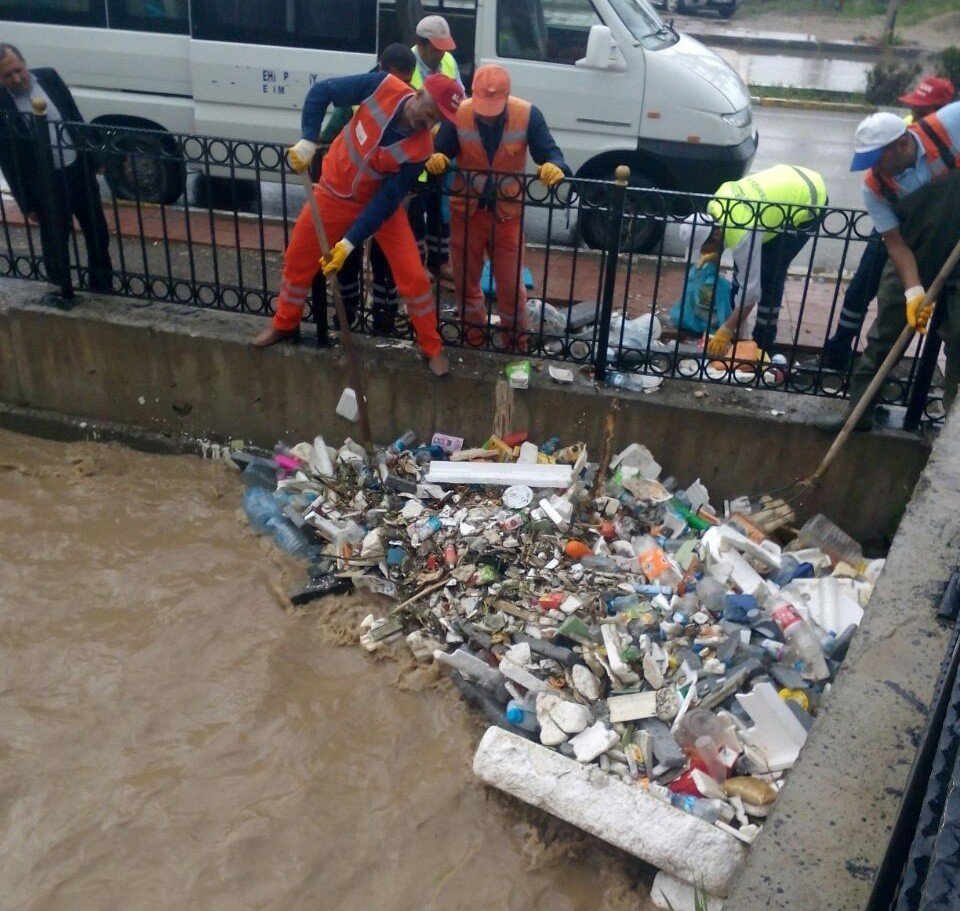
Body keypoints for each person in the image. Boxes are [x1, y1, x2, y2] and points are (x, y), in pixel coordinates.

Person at [250, 69, 463, 377]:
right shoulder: (382, 86)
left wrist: (349, 243)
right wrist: (309, 139)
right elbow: (322, 91)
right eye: (429, 113)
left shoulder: (420, 150)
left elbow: (387, 200)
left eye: (436, 121)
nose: (428, 124)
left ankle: (432, 347)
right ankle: (284, 323)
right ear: (418, 94)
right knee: (297, 260)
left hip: (379, 208)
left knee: (414, 278)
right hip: (332, 194)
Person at [825, 104, 960, 431]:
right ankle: (858, 415)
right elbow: (896, 245)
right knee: (884, 336)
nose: (874, 169)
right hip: (914, 253)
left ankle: (954, 431)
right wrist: (914, 293)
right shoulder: (874, 187)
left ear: (902, 144)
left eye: (877, 159)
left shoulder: (949, 123)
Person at [426, 64, 567, 350]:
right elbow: (442, 149)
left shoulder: (527, 115)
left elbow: (550, 151)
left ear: (507, 96)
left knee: (511, 288)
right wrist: (437, 159)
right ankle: (472, 340)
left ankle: (515, 345)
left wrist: (555, 165)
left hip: (506, 216)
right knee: (467, 286)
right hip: (466, 213)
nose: (486, 114)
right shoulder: (461, 113)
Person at [314, 44, 417, 341]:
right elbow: (330, 133)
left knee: (385, 262)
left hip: (388, 194)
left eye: (406, 81)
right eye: (397, 79)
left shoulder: (409, 98)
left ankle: (383, 318)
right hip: (351, 194)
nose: (401, 87)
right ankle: (345, 315)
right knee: (346, 256)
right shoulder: (362, 92)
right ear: (382, 69)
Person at [0, 44, 112, 293]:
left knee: (97, 232)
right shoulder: (2, 103)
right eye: (8, 76)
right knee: (56, 241)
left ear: (24, 63)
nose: (17, 79)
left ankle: (102, 286)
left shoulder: (49, 77)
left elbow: (73, 115)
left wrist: (95, 157)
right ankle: (61, 290)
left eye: (19, 70)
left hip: (77, 170)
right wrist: (26, 204)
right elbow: (7, 159)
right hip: (46, 184)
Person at [702, 164, 828, 358]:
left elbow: (751, 292)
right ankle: (739, 330)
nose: (704, 253)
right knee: (746, 266)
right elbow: (736, 258)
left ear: (716, 235)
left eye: (705, 248)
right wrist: (716, 254)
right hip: (786, 183)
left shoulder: (741, 231)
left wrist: (726, 330)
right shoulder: (715, 205)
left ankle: (764, 342)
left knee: (771, 272)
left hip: (808, 198)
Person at [408, 15, 463, 289]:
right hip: (416, 152)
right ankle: (417, 263)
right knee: (415, 209)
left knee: (440, 207)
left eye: (445, 47)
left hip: (442, 148)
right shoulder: (407, 67)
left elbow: (459, 101)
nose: (442, 52)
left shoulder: (449, 62)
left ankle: (439, 261)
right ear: (421, 44)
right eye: (437, 47)